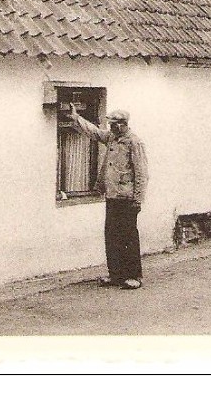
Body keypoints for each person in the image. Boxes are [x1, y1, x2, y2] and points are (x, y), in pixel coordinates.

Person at [68, 104, 149, 290]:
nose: (111, 128)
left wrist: (138, 199)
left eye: (113, 125)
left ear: (122, 124)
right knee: (112, 236)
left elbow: (142, 174)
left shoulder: (134, 143)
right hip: (112, 196)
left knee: (128, 237)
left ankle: (134, 276)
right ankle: (116, 275)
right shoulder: (112, 138)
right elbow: (95, 133)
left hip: (128, 199)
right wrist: (76, 118)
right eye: (110, 125)